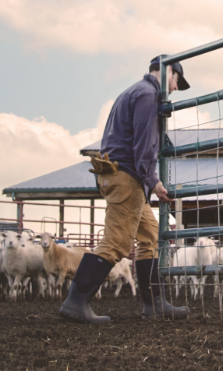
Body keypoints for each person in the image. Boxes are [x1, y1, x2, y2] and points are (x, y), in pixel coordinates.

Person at [59, 56, 192, 324]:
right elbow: (143, 143)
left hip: (122, 175)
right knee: (117, 242)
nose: (177, 88)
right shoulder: (147, 95)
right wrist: (153, 180)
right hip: (128, 176)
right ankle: (75, 303)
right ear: (168, 72)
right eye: (178, 80)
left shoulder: (131, 91)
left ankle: (154, 304)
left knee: (150, 236)